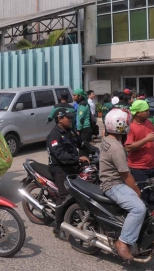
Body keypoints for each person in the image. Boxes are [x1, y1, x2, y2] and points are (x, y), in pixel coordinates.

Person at [99, 108, 146, 260]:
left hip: (113, 179)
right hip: (113, 184)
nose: (129, 125)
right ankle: (123, 242)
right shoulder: (117, 147)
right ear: (120, 125)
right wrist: (137, 190)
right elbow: (125, 175)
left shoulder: (108, 139)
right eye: (127, 123)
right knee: (139, 208)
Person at [47, 108, 89, 240]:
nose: (70, 120)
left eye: (71, 118)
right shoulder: (54, 135)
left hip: (71, 166)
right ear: (60, 119)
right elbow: (60, 156)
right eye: (68, 118)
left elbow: (81, 143)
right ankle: (57, 227)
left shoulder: (69, 131)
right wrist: (78, 159)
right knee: (64, 195)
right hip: (59, 168)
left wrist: (94, 150)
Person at [125, 100, 154, 207]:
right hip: (139, 169)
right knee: (144, 197)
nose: (149, 112)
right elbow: (128, 147)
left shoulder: (149, 123)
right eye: (146, 110)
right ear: (138, 113)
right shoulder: (131, 127)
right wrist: (145, 139)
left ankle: (150, 214)